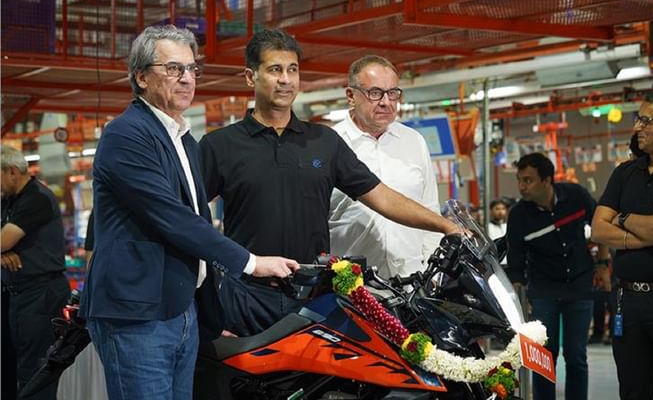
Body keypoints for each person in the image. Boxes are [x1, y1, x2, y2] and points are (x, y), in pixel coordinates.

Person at [79, 25, 299, 400]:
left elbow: (196, 217)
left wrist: (209, 312)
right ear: (141, 77)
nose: (186, 78)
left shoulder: (184, 139)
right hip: (139, 315)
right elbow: (171, 217)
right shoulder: (126, 134)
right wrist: (249, 262)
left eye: (192, 68)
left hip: (182, 310)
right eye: (173, 69)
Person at [199, 29, 461, 336]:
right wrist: (208, 306)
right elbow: (188, 219)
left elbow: (382, 197)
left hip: (315, 298)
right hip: (246, 296)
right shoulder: (220, 146)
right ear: (250, 77)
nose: (285, 80)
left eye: (292, 70)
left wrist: (447, 227)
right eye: (275, 70)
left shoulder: (324, 141)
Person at [506, 152, 611, 400]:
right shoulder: (519, 215)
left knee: (576, 356)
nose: (522, 187)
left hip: (579, 286)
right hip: (543, 291)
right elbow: (516, 261)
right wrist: (520, 299)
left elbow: (601, 227)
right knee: (544, 356)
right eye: (519, 180)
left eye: (528, 180)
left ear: (546, 180)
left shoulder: (576, 196)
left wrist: (603, 264)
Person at [591, 91, 653, 400]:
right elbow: (599, 228)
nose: (638, 126)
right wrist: (647, 229)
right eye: (638, 119)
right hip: (627, 301)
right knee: (633, 387)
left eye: (646, 121)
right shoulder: (624, 174)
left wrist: (622, 218)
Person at [327, 55, 442, 278]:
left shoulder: (413, 141)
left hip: (411, 280)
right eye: (375, 93)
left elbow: (430, 208)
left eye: (393, 93)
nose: (386, 102)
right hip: (351, 282)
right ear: (351, 96)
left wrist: (431, 272)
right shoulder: (330, 143)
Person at [1, 144, 71, 400]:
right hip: (17, 294)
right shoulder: (8, 199)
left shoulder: (36, 198)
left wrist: (2, 247)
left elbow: (3, 240)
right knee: (12, 364)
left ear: (12, 171)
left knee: (36, 369)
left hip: (41, 294)